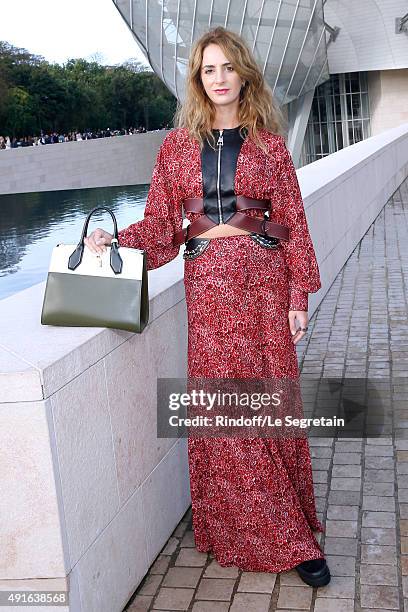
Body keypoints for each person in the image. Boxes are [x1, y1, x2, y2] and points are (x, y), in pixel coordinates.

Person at [84, 26, 330, 587]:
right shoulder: (175, 147)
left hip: (264, 289)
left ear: (244, 73)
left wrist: (297, 296)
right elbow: (162, 229)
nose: (218, 79)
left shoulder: (269, 144)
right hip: (210, 293)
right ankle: (273, 534)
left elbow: (292, 223)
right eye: (207, 70)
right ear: (198, 79)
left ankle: (284, 527)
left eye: (227, 68)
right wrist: (115, 239)